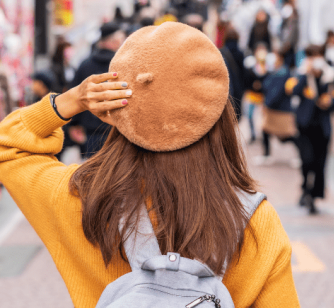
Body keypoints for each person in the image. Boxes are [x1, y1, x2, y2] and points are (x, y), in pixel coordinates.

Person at [0, 22, 299, 308]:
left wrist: (71, 101)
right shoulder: (254, 223)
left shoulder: (80, 200)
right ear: (219, 115)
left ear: (117, 106)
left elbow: (7, 144)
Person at [287, 45, 334, 214]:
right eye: (312, 56)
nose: (315, 60)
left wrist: (331, 103)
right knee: (307, 160)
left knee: (320, 164)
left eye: (318, 56)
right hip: (305, 126)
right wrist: (306, 74)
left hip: (323, 127)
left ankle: (312, 195)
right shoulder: (302, 74)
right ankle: (305, 187)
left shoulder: (331, 76)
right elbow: (294, 92)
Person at [69, 22, 126, 159]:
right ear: (115, 41)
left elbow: (76, 94)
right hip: (119, 130)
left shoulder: (85, 64)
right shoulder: (123, 65)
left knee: (93, 175)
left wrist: (74, 124)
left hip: (91, 132)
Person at [243, 43, 270, 157]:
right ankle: (253, 134)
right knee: (249, 115)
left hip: (262, 96)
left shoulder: (268, 66)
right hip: (251, 94)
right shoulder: (250, 64)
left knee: (263, 116)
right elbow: (246, 78)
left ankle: (262, 135)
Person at [220, 24, 245, 121]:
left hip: (226, 84)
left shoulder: (222, 51)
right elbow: (243, 72)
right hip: (238, 85)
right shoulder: (240, 53)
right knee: (236, 111)